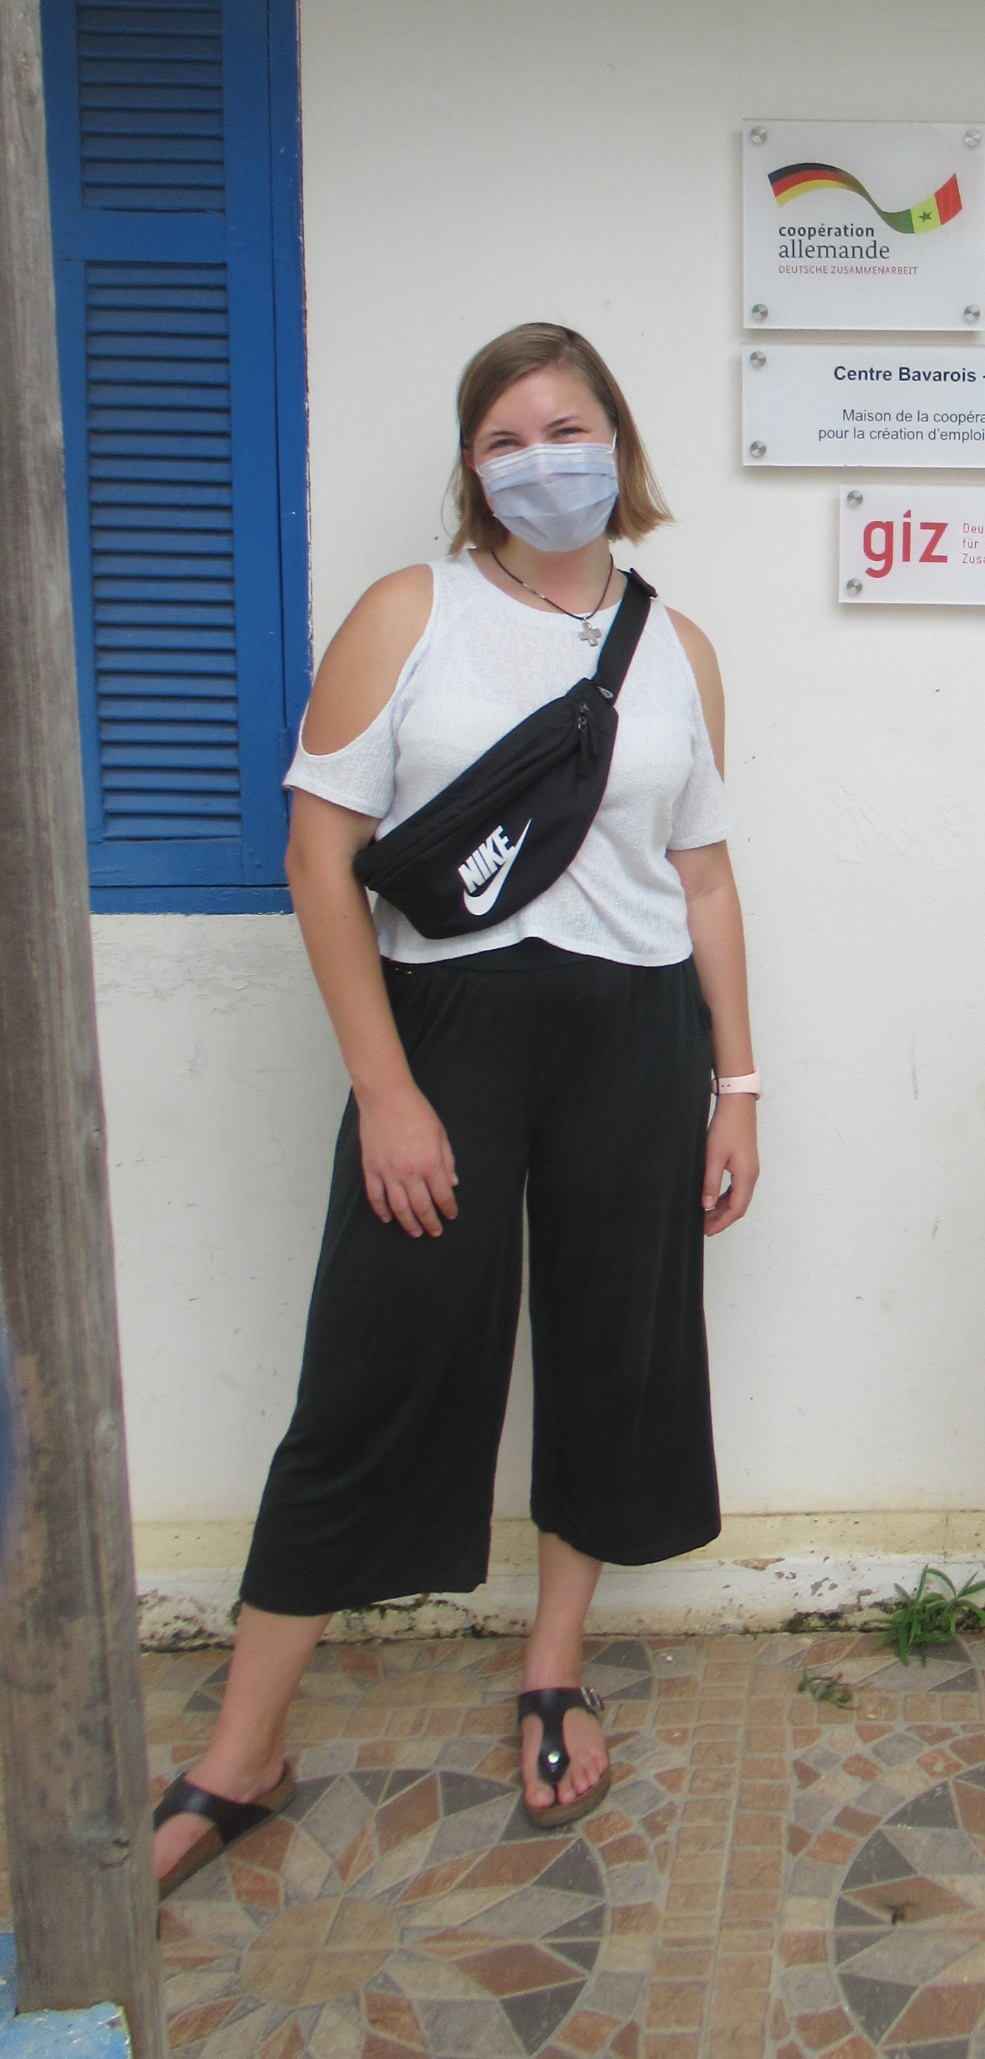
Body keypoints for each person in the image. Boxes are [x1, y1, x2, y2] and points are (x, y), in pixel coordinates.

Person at [153, 322, 759, 1892]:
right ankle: (243, 1750)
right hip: (449, 1037)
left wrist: (736, 1081)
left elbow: (700, 875)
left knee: (609, 1347)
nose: (538, 458)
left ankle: (550, 1666)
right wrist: (388, 1093)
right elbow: (317, 860)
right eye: (502, 437)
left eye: (566, 427)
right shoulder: (408, 615)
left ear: (618, 447)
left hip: (636, 1037)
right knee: (378, 1359)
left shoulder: (674, 646)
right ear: (469, 466)